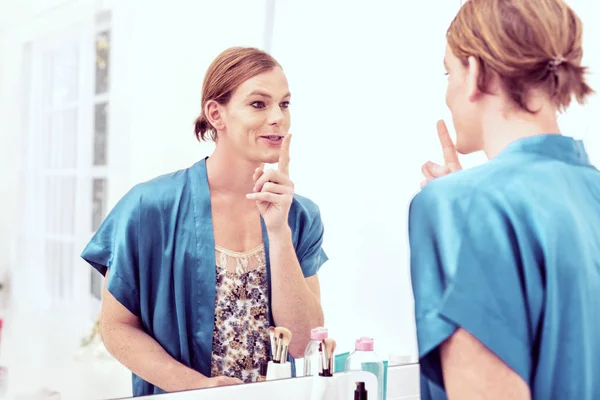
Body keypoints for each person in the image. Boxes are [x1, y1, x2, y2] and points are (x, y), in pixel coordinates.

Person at [81, 47, 328, 396]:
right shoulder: (149, 207)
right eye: (259, 104)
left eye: (284, 104)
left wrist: (278, 232)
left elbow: (304, 344)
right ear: (216, 113)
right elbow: (117, 328)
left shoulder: (299, 216)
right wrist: (198, 389)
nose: (278, 118)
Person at [408, 0, 599, 399]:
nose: (447, 92)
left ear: (475, 71)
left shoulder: (456, 207)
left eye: (449, 71)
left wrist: (464, 212)